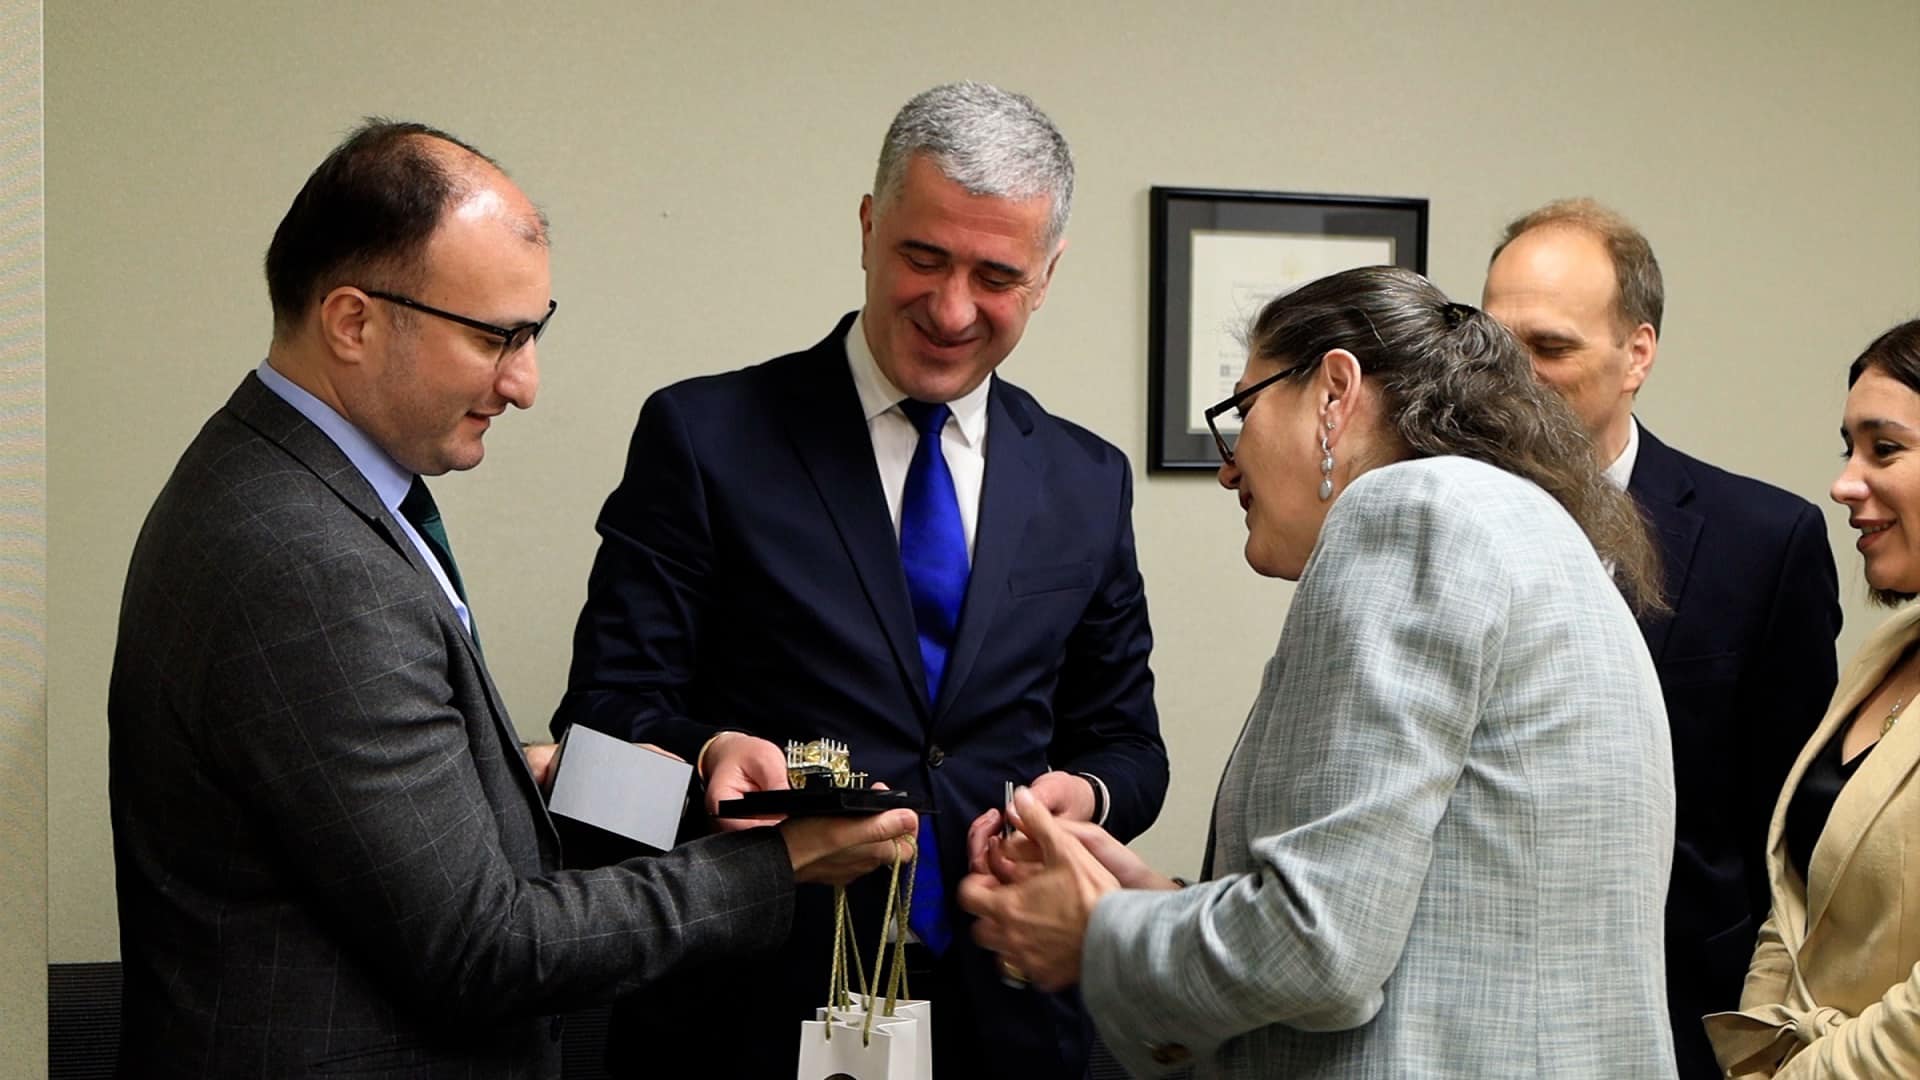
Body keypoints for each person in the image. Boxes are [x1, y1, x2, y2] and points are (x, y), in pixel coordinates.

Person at [106, 119, 917, 1079]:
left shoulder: (288, 483)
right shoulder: (304, 557)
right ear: (353, 322)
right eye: (498, 337)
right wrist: (782, 863)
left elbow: (394, 806)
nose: (525, 383)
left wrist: (680, 779)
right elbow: (483, 946)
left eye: (535, 332)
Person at [551, 81, 1167, 1077]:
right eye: (923, 257)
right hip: (744, 1011)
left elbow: (1130, 747)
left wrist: (1085, 795)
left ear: (1048, 275)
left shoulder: (1088, 480)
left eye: (996, 276)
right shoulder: (704, 438)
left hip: (1011, 1019)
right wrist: (709, 756)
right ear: (870, 227)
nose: (952, 309)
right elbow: (598, 727)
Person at [959, 266, 1679, 1078]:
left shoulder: (1410, 510)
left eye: (1243, 412)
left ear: (1335, 392)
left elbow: (1321, 951)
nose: (1228, 469)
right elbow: (1415, 922)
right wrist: (1149, 904)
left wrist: (1096, 934)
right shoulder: (1537, 534)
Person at [1481, 198, 1842, 1080]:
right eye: (1495, 345)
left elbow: (1789, 831)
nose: (1514, 377)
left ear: (1637, 353)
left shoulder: (1763, 541)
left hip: (1677, 1010)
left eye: (1550, 347)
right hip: (1470, 1003)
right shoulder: (1426, 517)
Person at [1705, 318, 1920, 1078]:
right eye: (1848, 450)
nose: (1844, 484)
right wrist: (1756, 1053)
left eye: (1884, 449)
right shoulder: (1886, 650)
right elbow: (1793, 903)